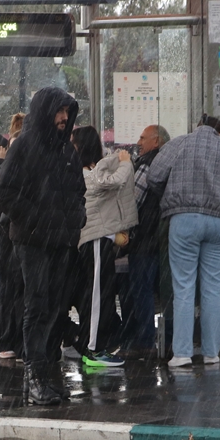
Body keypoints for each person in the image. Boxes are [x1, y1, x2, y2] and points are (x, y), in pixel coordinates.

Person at [0, 87, 85, 406]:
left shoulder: (66, 150)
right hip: (33, 241)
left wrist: (74, 223)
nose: (64, 118)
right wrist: (36, 219)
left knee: (56, 306)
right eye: (59, 111)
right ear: (47, 111)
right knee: (37, 304)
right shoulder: (26, 146)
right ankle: (34, 376)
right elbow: (2, 194)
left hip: (60, 241)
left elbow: (77, 191)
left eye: (67, 112)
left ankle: (45, 376)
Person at [146, 114, 220, 368]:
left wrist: (170, 199)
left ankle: (182, 353)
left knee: (183, 286)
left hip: (184, 220)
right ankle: (211, 353)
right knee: (213, 287)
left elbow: (154, 176)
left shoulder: (179, 144)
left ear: (197, 127)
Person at [70, 125, 137, 367]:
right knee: (97, 296)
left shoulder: (86, 171)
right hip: (95, 241)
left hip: (98, 240)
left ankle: (92, 345)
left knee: (98, 295)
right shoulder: (90, 174)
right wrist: (125, 162)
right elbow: (114, 181)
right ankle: (93, 350)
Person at [119, 124, 171, 357]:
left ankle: (144, 342)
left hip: (143, 240)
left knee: (141, 292)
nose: (138, 142)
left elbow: (132, 201)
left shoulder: (148, 164)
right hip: (160, 239)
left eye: (143, 138)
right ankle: (167, 342)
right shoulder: (166, 163)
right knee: (163, 293)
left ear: (156, 141)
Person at [0, 112, 26, 360]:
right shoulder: (5, 168)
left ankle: (7, 340)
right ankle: (8, 341)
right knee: (14, 289)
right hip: (11, 234)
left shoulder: (4, 167)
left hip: (12, 234)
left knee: (13, 289)